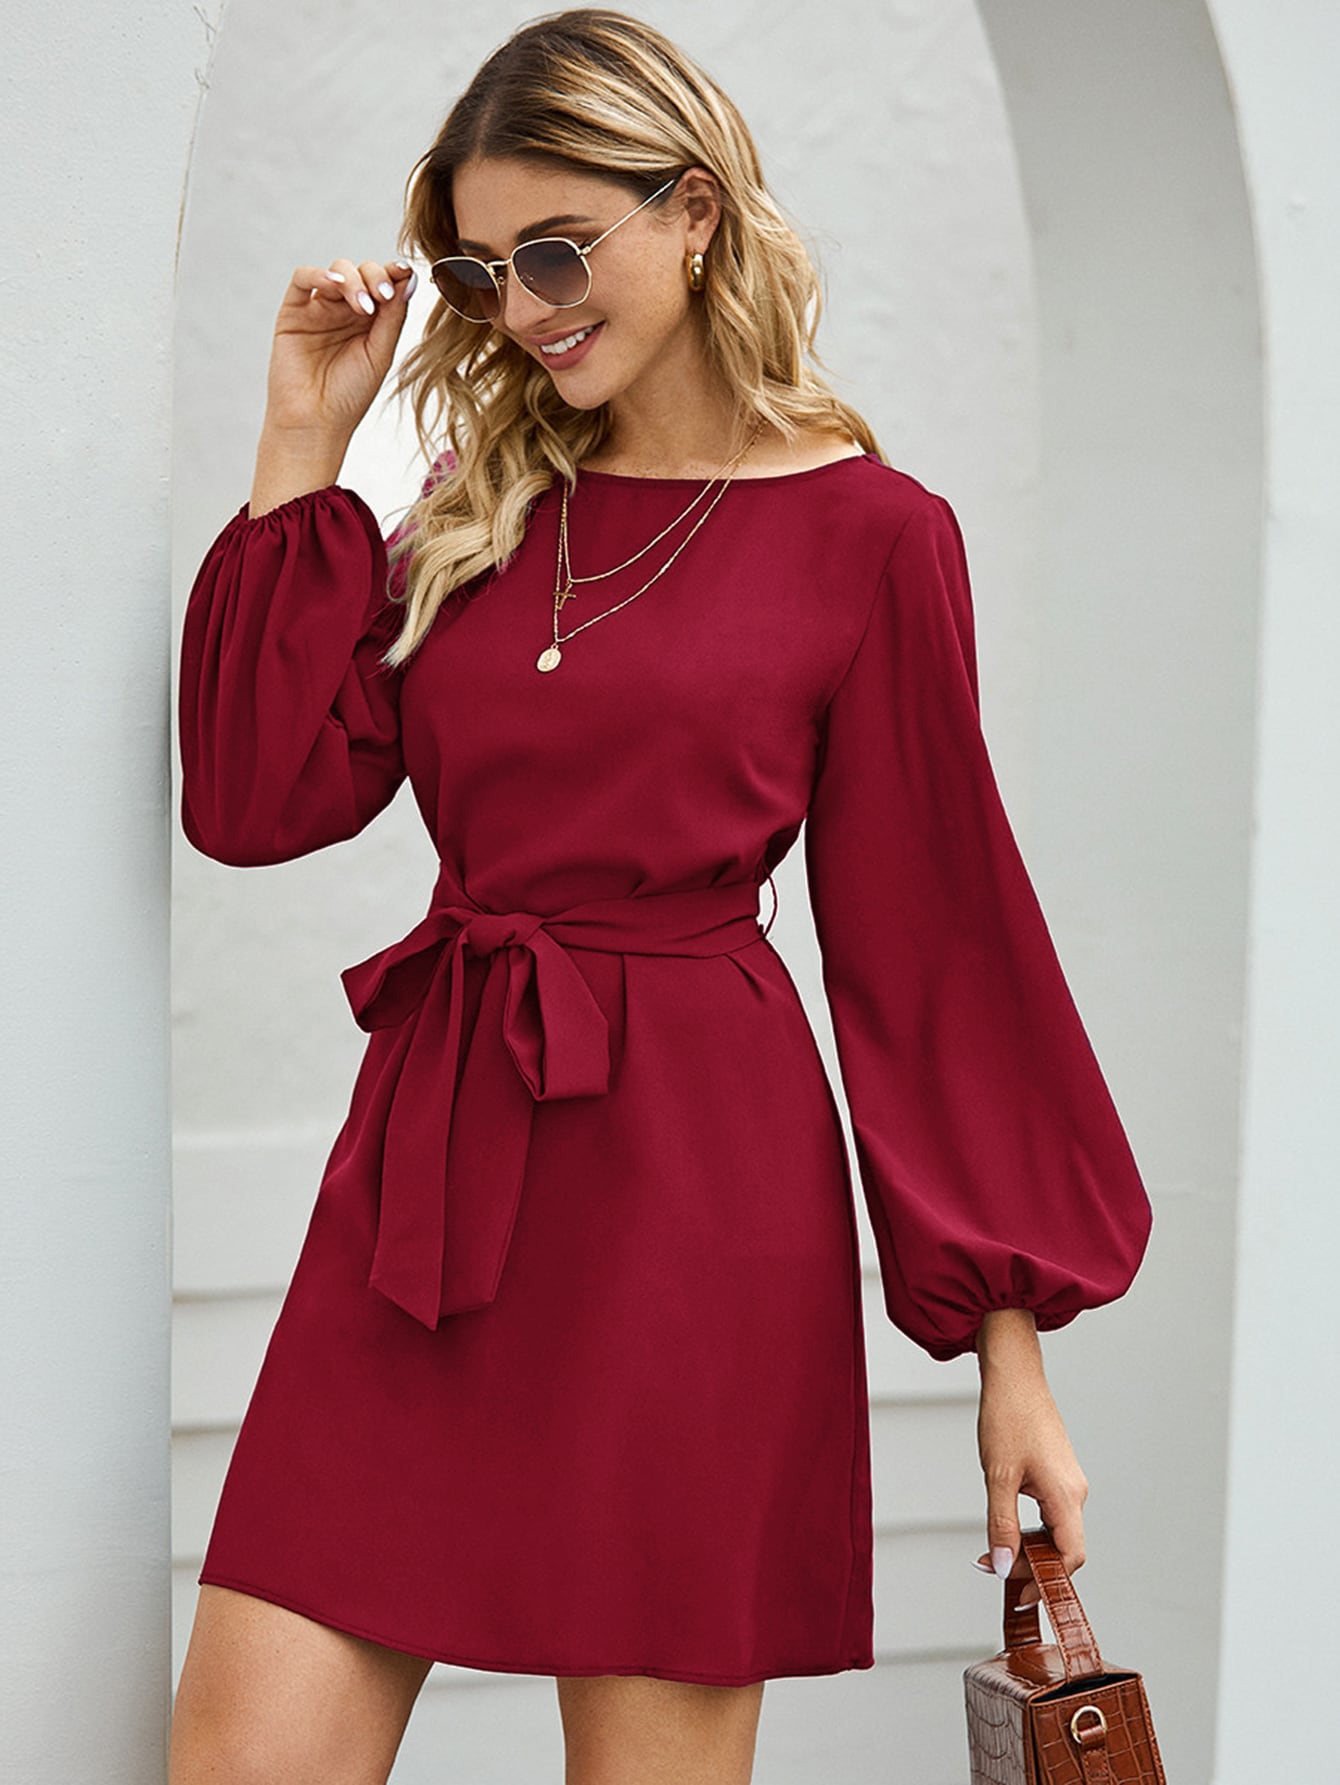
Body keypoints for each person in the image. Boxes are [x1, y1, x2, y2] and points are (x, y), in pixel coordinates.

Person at [168, 8, 1153, 1782]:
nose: (526, 308)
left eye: (559, 249)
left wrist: (1012, 1353)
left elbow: (935, 943)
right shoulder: (477, 507)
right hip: (429, 1186)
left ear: (694, 211)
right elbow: (251, 796)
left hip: (693, 1210)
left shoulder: (874, 536)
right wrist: (303, 439)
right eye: (482, 273)